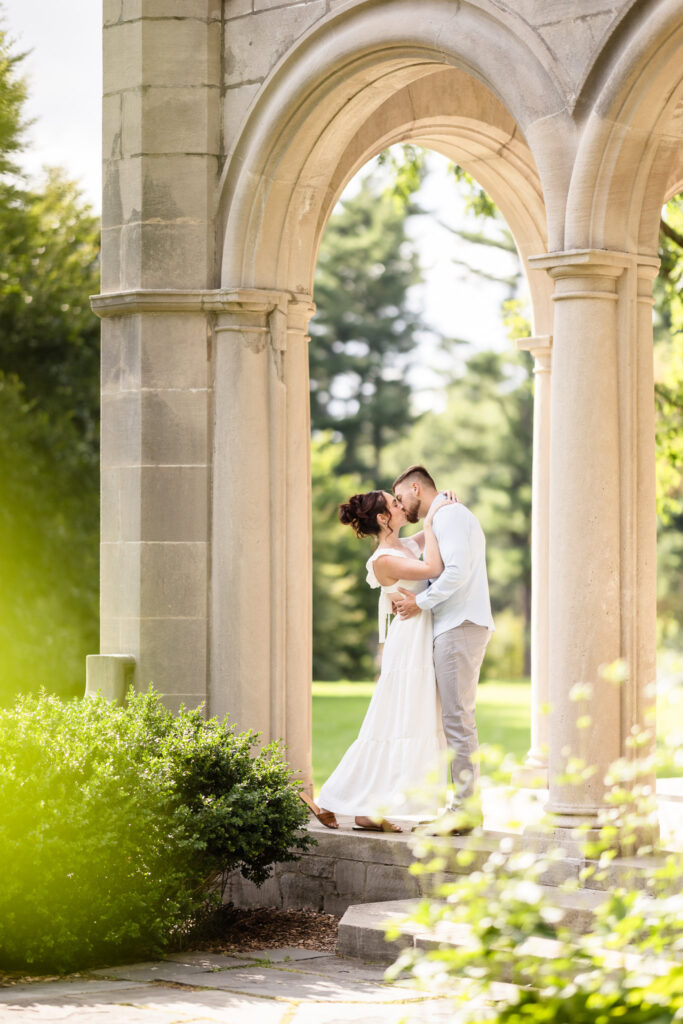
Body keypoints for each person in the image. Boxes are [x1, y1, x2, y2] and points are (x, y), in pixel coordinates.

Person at [299, 488, 454, 832]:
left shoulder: (404, 545)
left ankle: (371, 812)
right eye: (395, 504)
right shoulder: (384, 558)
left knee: (408, 721)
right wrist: (434, 516)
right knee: (396, 722)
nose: (402, 507)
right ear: (384, 518)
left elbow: (431, 530)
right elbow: (434, 565)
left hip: (419, 636)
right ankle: (332, 800)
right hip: (409, 645)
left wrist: (441, 500)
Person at [392, 466, 494, 834]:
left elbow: (455, 572)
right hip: (454, 626)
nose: (401, 508)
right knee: (453, 718)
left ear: (416, 488)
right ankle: (462, 807)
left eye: (402, 499)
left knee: (457, 719)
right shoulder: (442, 518)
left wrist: (422, 603)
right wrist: (429, 523)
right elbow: (405, 552)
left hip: (460, 625)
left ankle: (466, 810)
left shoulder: (450, 516)